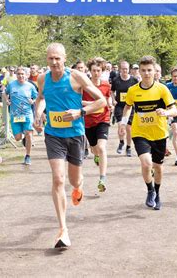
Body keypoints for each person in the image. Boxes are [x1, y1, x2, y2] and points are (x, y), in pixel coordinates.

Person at [34, 43, 106, 248]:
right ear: (46, 59)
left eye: (58, 58)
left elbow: (101, 101)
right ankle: (63, 230)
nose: (54, 62)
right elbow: (40, 99)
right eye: (50, 59)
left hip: (75, 135)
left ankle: (79, 186)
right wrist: (38, 114)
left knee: (74, 181)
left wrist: (80, 112)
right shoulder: (42, 79)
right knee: (58, 179)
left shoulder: (76, 77)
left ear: (65, 58)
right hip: (53, 135)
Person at [119, 56, 177, 211]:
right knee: (146, 163)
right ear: (139, 71)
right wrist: (123, 124)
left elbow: (174, 110)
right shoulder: (133, 90)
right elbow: (127, 107)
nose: (146, 73)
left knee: (157, 167)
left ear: (155, 71)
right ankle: (150, 190)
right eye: (143, 70)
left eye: (149, 70)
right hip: (140, 133)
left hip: (159, 133)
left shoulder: (162, 89)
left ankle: (157, 193)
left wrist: (165, 112)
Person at [83, 57, 113, 192]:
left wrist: (110, 104)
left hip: (103, 119)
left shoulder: (106, 85)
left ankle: (102, 178)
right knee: (94, 149)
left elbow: (107, 100)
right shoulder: (85, 86)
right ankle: (95, 155)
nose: (96, 73)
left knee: (101, 148)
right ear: (90, 71)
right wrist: (94, 104)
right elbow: (80, 102)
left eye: (98, 70)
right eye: (94, 70)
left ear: (102, 71)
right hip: (89, 121)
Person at [6, 67, 38, 165]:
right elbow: (4, 93)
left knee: (29, 134)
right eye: (19, 74)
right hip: (15, 115)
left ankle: (27, 156)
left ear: (26, 75)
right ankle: (23, 137)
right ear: (16, 75)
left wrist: (33, 101)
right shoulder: (11, 85)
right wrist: (7, 100)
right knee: (17, 138)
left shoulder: (30, 86)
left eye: (22, 74)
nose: (21, 76)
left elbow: (37, 97)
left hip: (27, 114)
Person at [111, 60, 139, 156]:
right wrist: (113, 99)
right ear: (120, 69)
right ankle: (121, 142)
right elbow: (112, 91)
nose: (125, 71)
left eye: (126, 69)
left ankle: (128, 147)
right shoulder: (116, 80)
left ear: (129, 69)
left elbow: (137, 92)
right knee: (120, 126)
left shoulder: (134, 80)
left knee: (128, 128)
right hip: (120, 106)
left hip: (130, 107)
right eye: (123, 69)